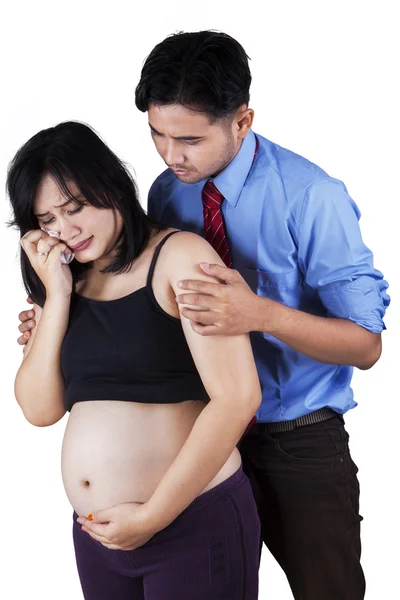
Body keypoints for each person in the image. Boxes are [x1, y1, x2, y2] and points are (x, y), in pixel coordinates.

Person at [17, 31, 390, 600]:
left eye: (188, 139)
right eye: (156, 135)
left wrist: (259, 313)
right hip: (199, 432)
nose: (170, 155)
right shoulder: (170, 191)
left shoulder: (311, 196)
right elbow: (146, 302)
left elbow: (366, 345)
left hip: (294, 435)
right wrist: (66, 330)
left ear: (242, 121)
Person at [8, 120, 262, 600]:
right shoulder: (62, 282)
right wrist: (57, 298)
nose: (66, 230)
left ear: (110, 183)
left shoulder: (179, 257)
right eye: (47, 221)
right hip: (98, 539)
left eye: (75, 207)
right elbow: (40, 411)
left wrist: (152, 515)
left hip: (191, 521)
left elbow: (238, 396)